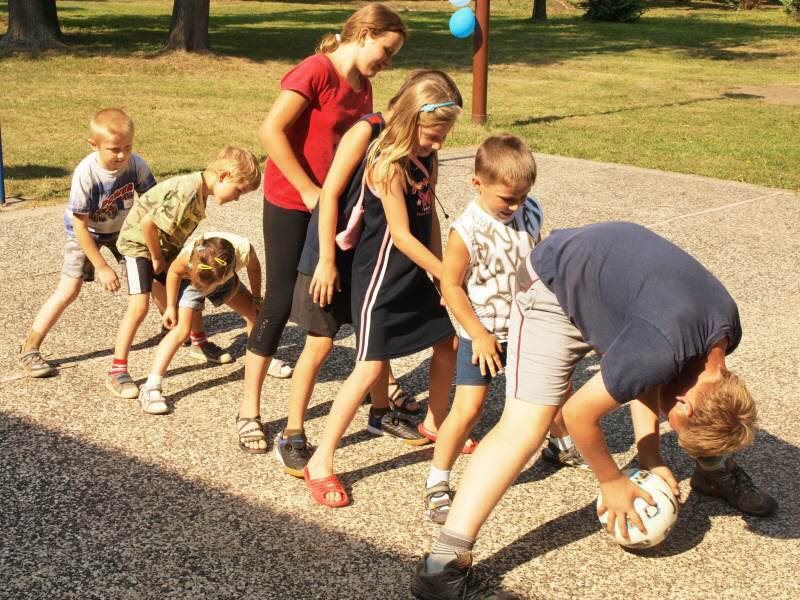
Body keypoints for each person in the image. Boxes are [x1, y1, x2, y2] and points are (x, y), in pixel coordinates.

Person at [411, 221, 777, 599]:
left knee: (664, 374)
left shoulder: (724, 330)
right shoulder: (659, 349)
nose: (667, 418)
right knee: (525, 424)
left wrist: (651, 455)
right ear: (684, 402)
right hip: (553, 281)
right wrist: (611, 481)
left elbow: (655, 371)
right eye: (673, 422)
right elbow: (578, 414)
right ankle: (441, 568)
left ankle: (712, 472)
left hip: (619, 285)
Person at [273, 70, 464, 476]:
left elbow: (426, 214)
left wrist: (437, 269)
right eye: (434, 135)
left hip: (387, 256)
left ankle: (394, 416)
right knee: (324, 344)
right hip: (339, 252)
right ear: (411, 119)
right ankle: (296, 436)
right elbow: (330, 195)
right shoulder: (371, 140)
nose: (439, 144)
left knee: (396, 345)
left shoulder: (423, 155)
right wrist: (326, 259)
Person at [238, 2, 407, 453]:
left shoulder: (364, 86)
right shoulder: (315, 70)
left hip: (333, 206)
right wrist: (308, 189)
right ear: (366, 34)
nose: (387, 62)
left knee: (351, 295)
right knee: (279, 301)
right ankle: (249, 411)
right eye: (387, 51)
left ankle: (381, 392)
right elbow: (270, 131)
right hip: (292, 202)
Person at [424, 134, 545, 524]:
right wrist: (477, 333)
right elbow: (450, 285)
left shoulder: (531, 210)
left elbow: (537, 256)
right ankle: (437, 480)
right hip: (483, 333)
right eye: (507, 198)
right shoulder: (467, 230)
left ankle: (559, 443)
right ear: (477, 183)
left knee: (549, 394)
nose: (516, 206)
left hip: (527, 327)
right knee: (468, 409)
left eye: (522, 196)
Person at [109, 145, 261, 399]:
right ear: (224, 176)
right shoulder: (188, 192)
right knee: (139, 306)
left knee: (192, 286)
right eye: (239, 190)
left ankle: (198, 342)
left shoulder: (200, 192)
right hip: (139, 247)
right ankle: (117, 369)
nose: (237, 198)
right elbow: (147, 224)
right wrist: (157, 258)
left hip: (162, 248)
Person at [17, 108, 156, 377]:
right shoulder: (86, 173)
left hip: (122, 230)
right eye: (114, 149)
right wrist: (101, 266)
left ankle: (173, 324)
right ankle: (30, 348)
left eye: (128, 147)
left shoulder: (136, 164)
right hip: (87, 232)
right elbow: (80, 226)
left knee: (154, 274)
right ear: (94, 145)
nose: (122, 155)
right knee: (69, 289)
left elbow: (153, 202)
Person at [136, 233, 262, 416]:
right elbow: (173, 273)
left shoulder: (244, 250)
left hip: (222, 277)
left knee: (254, 314)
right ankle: (150, 386)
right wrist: (170, 306)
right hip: (193, 281)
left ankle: (261, 359)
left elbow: (255, 268)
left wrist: (256, 298)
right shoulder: (188, 259)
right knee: (181, 330)